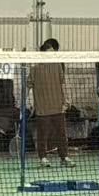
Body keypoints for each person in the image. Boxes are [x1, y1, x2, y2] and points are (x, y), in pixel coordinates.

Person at [31, 38, 73, 168]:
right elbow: (28, 85)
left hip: (58, 106)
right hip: (42, 107)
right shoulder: (35, 68)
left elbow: (62, 83)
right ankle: (43, 158)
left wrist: (66, 99)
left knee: (61, 134)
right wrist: (29, 102)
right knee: (42, 135)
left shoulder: (58, 66)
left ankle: (64, 157)